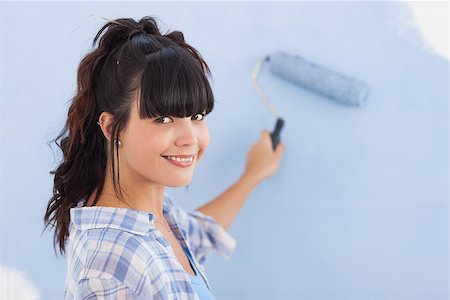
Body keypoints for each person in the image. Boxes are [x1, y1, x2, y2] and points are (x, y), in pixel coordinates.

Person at [43, 16, 285, 299]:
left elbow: (197, 234)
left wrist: (253, 174)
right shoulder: (110, 272)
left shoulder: (152, 216)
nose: (189, 138)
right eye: (163, 118)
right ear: (111, 127)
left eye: (196, 116)